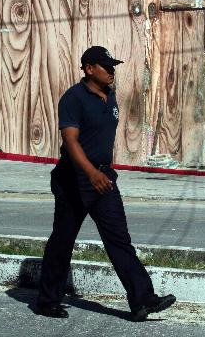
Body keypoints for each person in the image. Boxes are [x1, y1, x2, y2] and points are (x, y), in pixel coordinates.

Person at [37, 46, 176, 321]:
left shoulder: (109, 96)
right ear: (89, 69)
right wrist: (91, 173)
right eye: (106, 66)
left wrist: (102, 172)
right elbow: (71, 141)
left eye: (112, 66)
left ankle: (142, 300)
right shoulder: (73, 98)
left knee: (119, 240)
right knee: (63, 241)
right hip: (74, 179)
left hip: (103, 179)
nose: (111, 71)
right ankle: (47, 300)